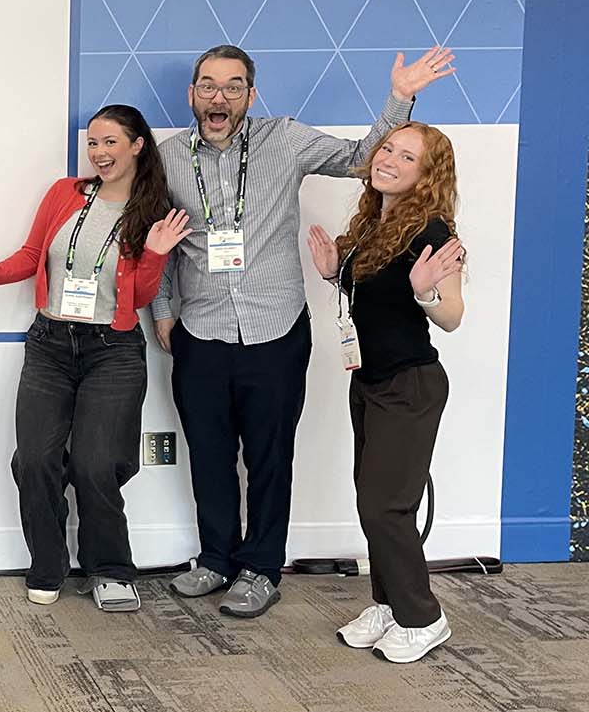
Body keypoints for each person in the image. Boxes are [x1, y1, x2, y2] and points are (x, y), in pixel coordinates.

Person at [153, 44, 457, 618]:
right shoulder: (168, 158)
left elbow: (363, 157)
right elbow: (162, 240)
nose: (220, 97)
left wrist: (400, 96)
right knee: (209, 454)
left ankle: (261, 570)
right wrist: (164, 309)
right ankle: (216, 558)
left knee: (270, 456)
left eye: (233, 86)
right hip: (200, 329)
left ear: (251, 94)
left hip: (274, 330)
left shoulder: (284, 140)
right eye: (208, 86)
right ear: (191, 93)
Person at [0, 105, 190, 612]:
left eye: (110, 143)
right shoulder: (65, 194)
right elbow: (32, 254)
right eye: (93, 144)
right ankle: (48, 563)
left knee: (96, 461)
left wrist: (154, 253)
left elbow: (144, 294)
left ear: (137, 145)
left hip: (114, 349)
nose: (99, 153)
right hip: (50, 345)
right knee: (34, 458)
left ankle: (110, 568)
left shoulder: (153, 210)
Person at [306, 122, 465, 663]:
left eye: (407, 156)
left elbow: (453, 316)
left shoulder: (433, 233)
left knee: (387, 507)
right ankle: (388, 603)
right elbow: (373, 299)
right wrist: (334, 275)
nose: (389, 159)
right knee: (371, 502)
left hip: (410, 385)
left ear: (427, 175)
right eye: (387, 149)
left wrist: (427, 294)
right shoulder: (377, 222)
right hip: (368, 380)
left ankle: (423, 617)